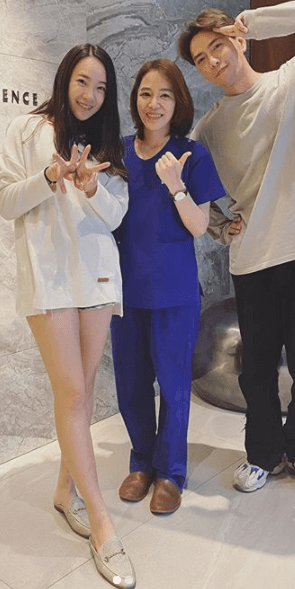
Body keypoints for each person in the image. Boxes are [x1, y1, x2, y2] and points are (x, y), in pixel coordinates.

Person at [178, 0, 295, 500]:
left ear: (238, 40)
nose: (212, 62)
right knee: (255, 371)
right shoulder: (210, 129)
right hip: (253, 259)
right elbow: (188, 187)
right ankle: (262, 454)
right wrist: (220, 227)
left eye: (217, 46)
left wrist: (257, 22)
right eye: (200, 59)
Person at [0, 43, 136, 589]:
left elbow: (117, 215)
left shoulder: (107, 145)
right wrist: (51, 176)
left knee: (82, 390)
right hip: (49, 277)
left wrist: (92, 186)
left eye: (101, 87)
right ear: (64, 79)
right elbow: (5, 201)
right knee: (73, 392)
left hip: (96, 278)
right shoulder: (27, 129)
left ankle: (64, 491)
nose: (90, 95)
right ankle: (102, 523)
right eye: (82, 82)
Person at [110, 58, 230, 514]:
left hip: (174, 292)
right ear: (135, 99)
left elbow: (199, 226)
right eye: (146, 93)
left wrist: (176, 186)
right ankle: (141, 462)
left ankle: (170, 472)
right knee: (131, 384)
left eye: (164, 95)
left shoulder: (190, 154)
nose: (154, 104)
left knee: (175, 385)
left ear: (178, 102)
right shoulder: (118, 153)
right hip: (125, 291)